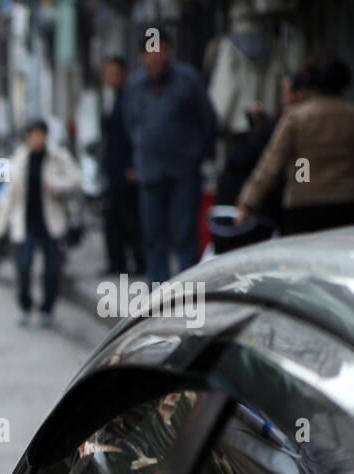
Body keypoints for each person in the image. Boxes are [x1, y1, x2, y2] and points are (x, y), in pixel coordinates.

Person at [122, 26, 217, 283]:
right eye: (151, 50)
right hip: (149, 173)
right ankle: (160, 301)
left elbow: (207, 121)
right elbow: (130, 126)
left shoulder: (188, 79)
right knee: (154, 239)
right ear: (143, 55)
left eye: (162, 48)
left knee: (185, 237)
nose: (157, 55)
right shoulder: (135, 86)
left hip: (183, 171)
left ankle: (187, 297)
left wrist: (198, 155)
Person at [237, 54, 354, 236]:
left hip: (303, 202)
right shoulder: (350, 115)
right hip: (345, 200)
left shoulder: (297, 117)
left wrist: (248, 202)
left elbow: (271, 164)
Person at [0, 119, 82, 327]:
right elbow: (8, 196)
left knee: (51, 270)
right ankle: (24, 305)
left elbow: (76, 179)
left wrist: (56, 186)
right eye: (32, 135)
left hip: (52, 221)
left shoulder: (59, 157)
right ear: (27, 137)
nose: (36, 139)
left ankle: (47, 309)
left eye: (40, 134)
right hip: (26, 222)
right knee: (23, 267)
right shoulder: (17, 160)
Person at [100, 56, 144, 276]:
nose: (110, 78)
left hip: (127, 171)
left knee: (131, 220)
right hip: (113, 170)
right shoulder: (111, 99)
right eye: (107, 73)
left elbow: (134, 135)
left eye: (114, 73)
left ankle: (139, 262)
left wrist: (133, 166)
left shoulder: (130, 99)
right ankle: (117, 263)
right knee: (113, 219)